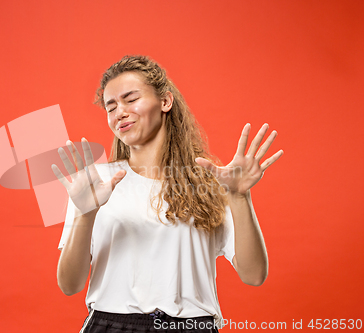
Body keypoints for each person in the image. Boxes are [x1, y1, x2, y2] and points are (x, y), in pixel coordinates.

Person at [52, 55, 283, 333]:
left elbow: (254, 274)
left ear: (165, 102)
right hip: (112, 324)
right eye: (111, 107)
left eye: (130, 99)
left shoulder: (211, 180)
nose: (119, 113)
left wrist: (239, 197)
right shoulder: (96, 184)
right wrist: (86, 215)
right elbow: (69, 285)